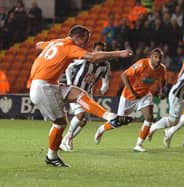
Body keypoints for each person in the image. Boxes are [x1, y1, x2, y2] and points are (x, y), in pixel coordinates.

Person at [28, 25, 133, 167]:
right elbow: (93, 57)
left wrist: (43, 51)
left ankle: (111, 117)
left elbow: (38, 45)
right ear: (77, 37)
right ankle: (51, 156)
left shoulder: (56, 42)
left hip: (50, 84)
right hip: (43, 87)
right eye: (85, 40)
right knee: (60, 124)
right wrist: (119, 53)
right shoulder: (69, 47)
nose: (86, 44)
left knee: (80, 94)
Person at [94, 48, 166, 152]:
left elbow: (163, 80)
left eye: (160, 57)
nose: (158, 59)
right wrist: (133, 92)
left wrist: (161, 91)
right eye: (156, 57)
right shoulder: (142, 64)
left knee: (149, 118)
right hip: (129, 96)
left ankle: (139, 145)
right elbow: (123, 75)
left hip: (144, 95)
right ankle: (101, 129)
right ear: (151, 56)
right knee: (118, 122)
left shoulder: (162, 69)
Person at [59, 41, 111, 151]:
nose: (100, 52)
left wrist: (103, 88)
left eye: (102, 50)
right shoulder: (85, 58)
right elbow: (69, 68)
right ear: (93, 50)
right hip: (74, 91)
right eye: (98, 49)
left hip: (87, 93)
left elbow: (105, 81)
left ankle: (65, 140)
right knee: (80, 114)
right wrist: (69, 83)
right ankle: (67, 138)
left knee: (83, 121)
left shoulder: (105, 65)